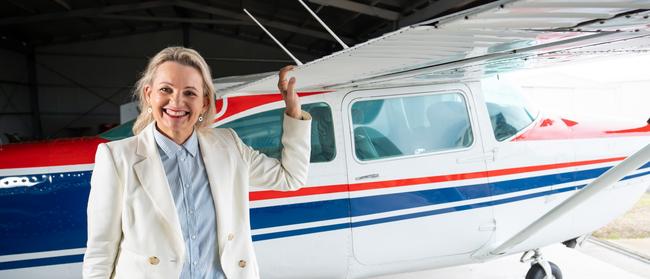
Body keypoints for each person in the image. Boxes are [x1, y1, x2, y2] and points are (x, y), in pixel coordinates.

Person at [82, 46, 311, 279]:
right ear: (149, 95)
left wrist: (293, 111)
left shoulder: (229, 146)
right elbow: (100, 252)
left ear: (204, 102)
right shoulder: (116, 158)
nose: (176, 101)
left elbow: (291, 177)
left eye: (190, 93)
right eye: (165, 89)